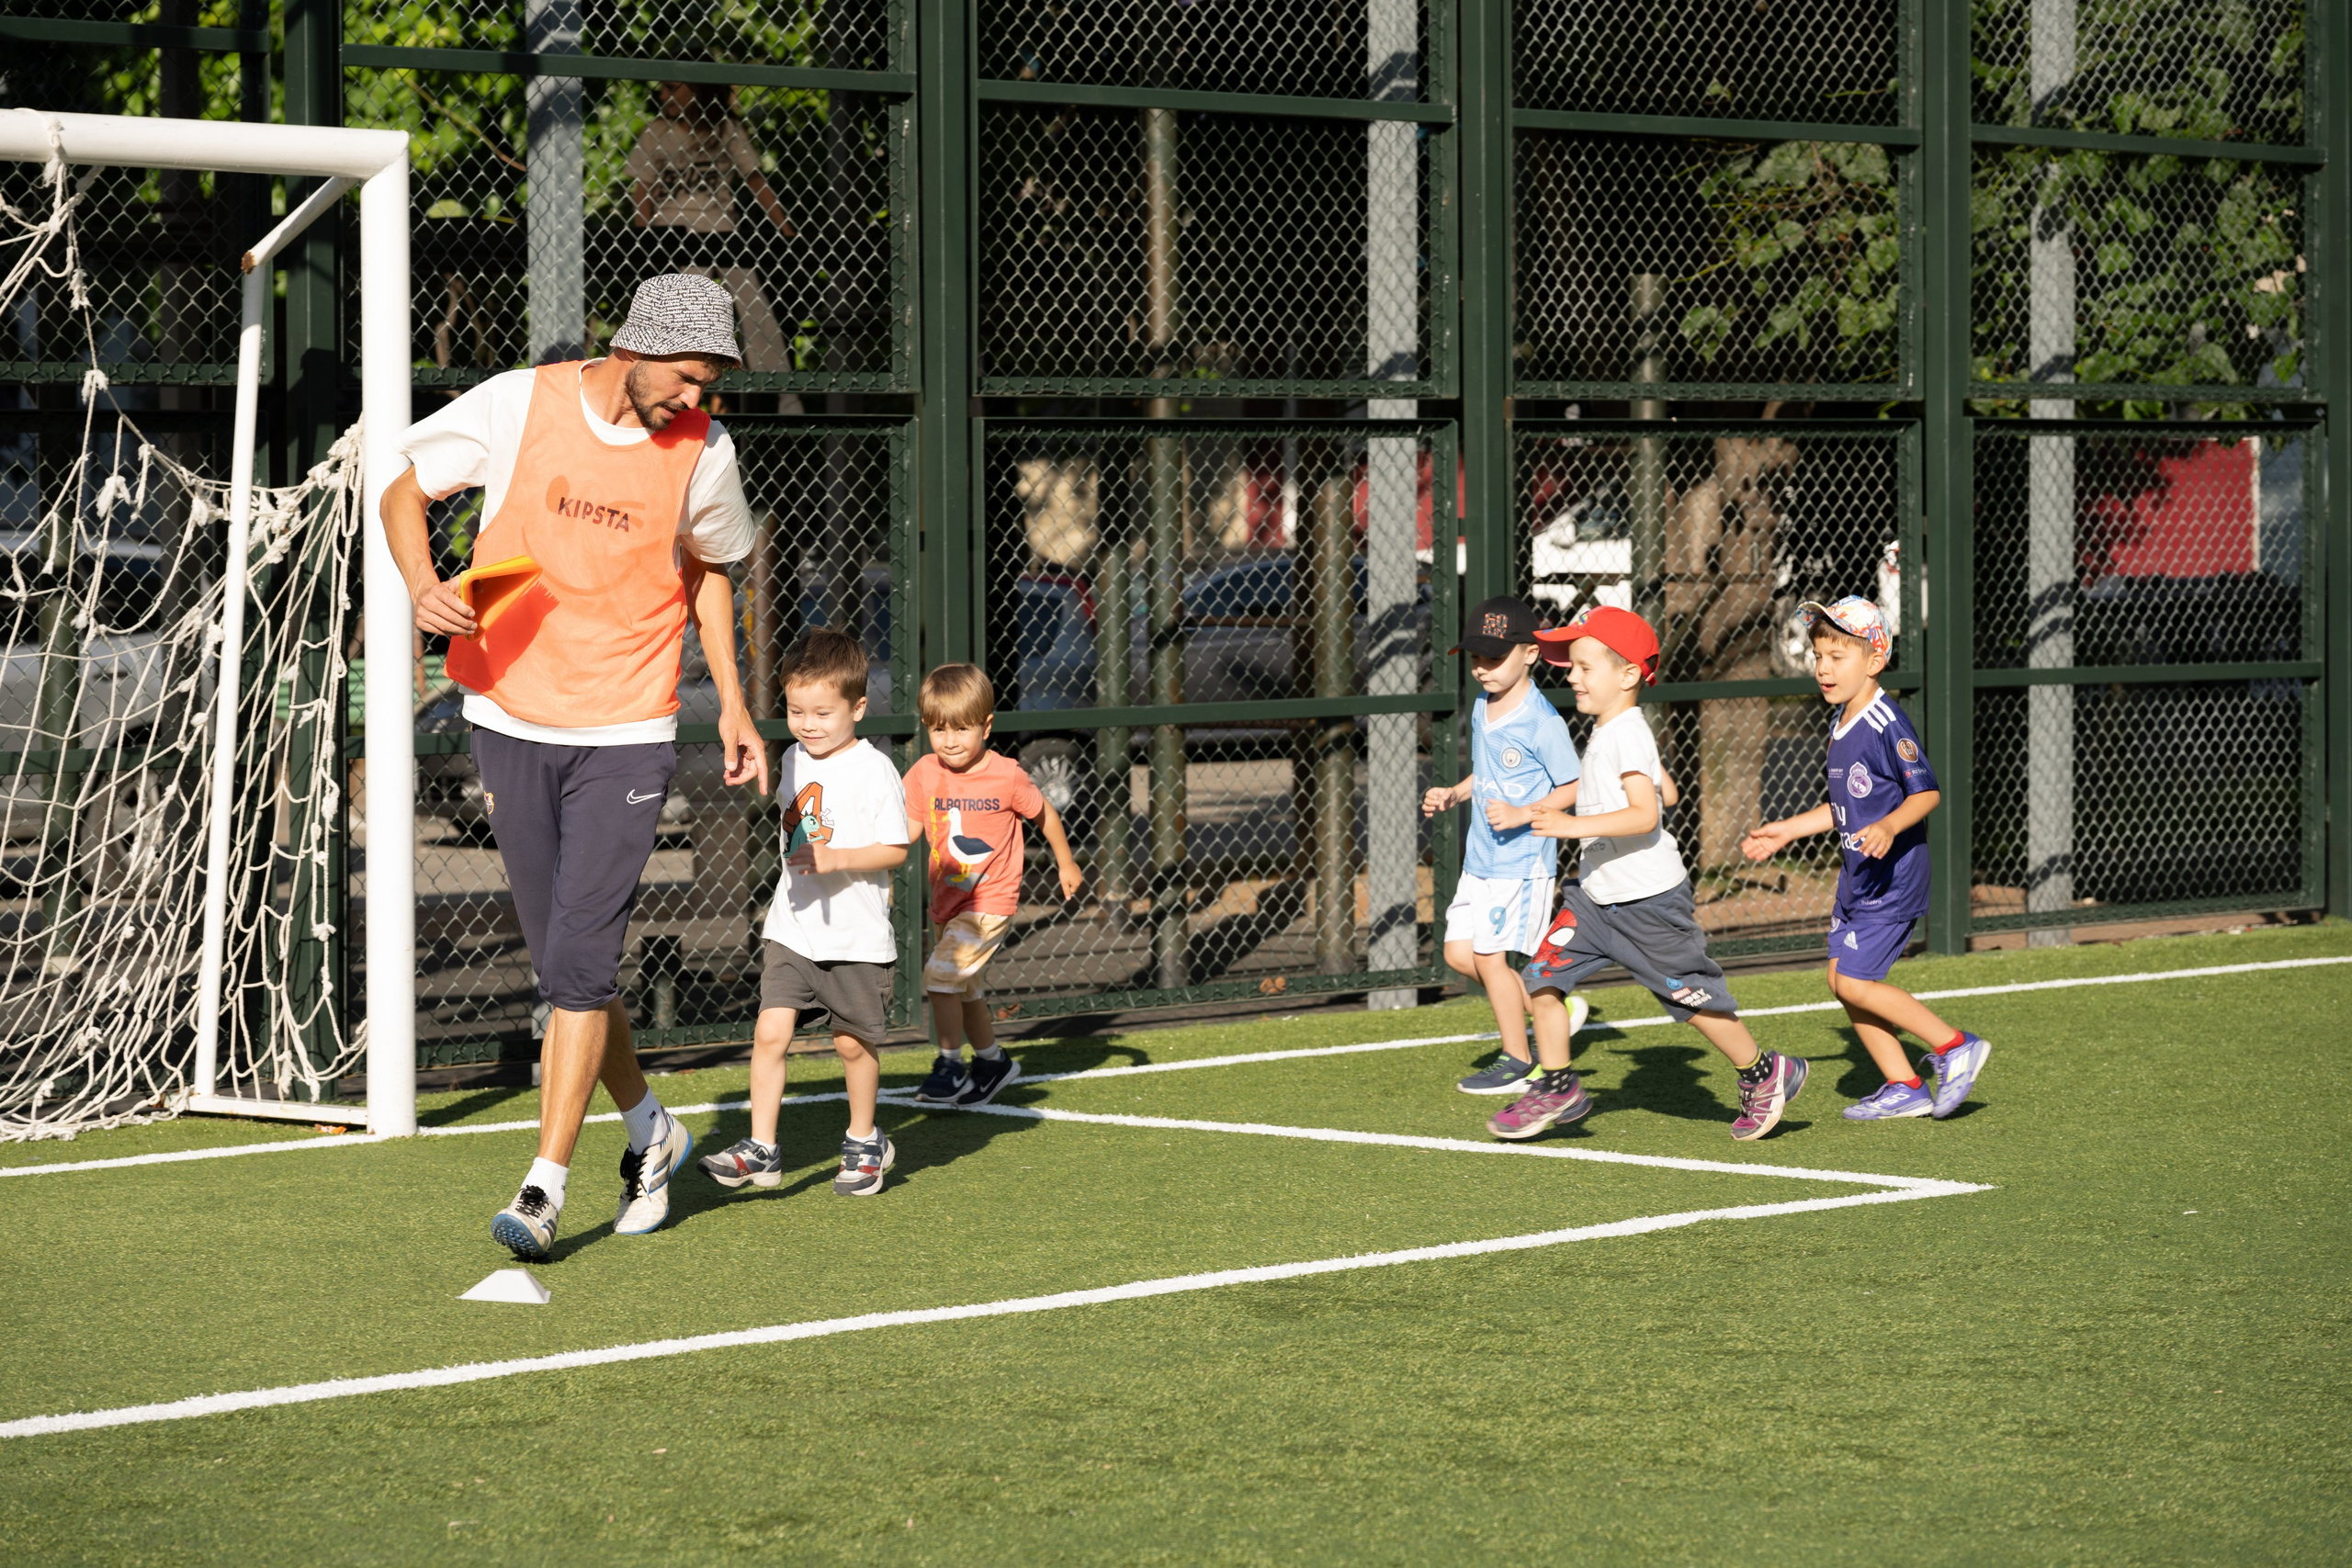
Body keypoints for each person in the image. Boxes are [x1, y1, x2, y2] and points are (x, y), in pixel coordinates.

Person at [384, 273, 771, 1258]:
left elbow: (711, 570)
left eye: (709, 385)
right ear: (633, 347)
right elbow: (400, 490)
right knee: (569, 966)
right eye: (686, 377)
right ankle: (652, 1131)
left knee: (581, 961)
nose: (696, 399)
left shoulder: (705, 450)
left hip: (628, 728)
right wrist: (424, 586)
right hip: (508, 712)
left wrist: (729, 700)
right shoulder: (522, 401)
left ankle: (544, 1186)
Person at [1493, 605, 1808, 1143]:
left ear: (1629, 675)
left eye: (1585, 666)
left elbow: (1646, 815)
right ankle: (1558, 1085)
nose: (1572, 675)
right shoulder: (1615, 730)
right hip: (1594, 899)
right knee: (1541, 979)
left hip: (1647, 902)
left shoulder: (1625, 733)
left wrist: (1571, 826)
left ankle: (1763, 1071)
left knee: (1689, 999)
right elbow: (1666, 792)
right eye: (1572, 666)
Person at [1739, 597, 1990, 1119]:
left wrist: (1889, 825)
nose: (1824, 668)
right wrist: (1786, 831)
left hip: (1893, 877)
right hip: (1858, 877)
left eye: (1838, 657)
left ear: (1874, 661)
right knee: (1840, 980)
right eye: (1819, 655)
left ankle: (1953, 1045)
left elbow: (1926, 794)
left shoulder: (1884, 722)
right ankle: (1904, 1084)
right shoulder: (1841, 720)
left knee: (1855, 981)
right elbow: (1841, 807)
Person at [698, 628, 911, 1197]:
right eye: (796, 710)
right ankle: (762, 1149)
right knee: (771, 1031)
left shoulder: (875, 771)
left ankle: (865, 1140)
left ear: (858, 708)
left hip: (856, 937)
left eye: (823, 712)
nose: (808, 723)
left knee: (851, 1043)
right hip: (793, 929)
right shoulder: (791, 757)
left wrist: (838, 857)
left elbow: (897, 848)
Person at [899, 664, 1086, 1108]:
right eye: (938, 729)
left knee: (941, 978)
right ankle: (992, 1061)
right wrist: (872, 867)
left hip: (990, 901)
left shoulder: (1007, 775)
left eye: (962, 729)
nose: (950, 740)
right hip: (947, 901)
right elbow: (903, 833)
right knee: (965, 989)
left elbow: (1046, 816)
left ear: (986, 726)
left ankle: (948, 1064)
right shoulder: (925, 773)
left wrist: (1066, 863)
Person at [1421, 595, 1583, 1097]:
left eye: (1495, 657)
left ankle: (1519, 1059)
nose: (1483, 669)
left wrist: (1521, 815)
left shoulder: (1542, 721)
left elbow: (1573, 786)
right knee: (1456, 953)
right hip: (1481, 859)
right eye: (1476, 658)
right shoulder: (1480, 707)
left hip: (1520, 862)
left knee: (1491, 958)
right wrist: (1455, 792)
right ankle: (1547, 1003)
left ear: (1530, 654)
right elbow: (1488, 775)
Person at [628, 82, 797, 378]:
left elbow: (755, 178)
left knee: (755, 305)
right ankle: (677, 380)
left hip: (720, 226)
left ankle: (779, 389)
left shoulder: (725, 128)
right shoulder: (658, 130)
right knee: (687, 311)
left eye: (671, 88)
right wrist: (645, 239)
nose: (663, 95)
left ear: (696, 90)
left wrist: (785, 229)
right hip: (673, 229)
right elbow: (642, 190)